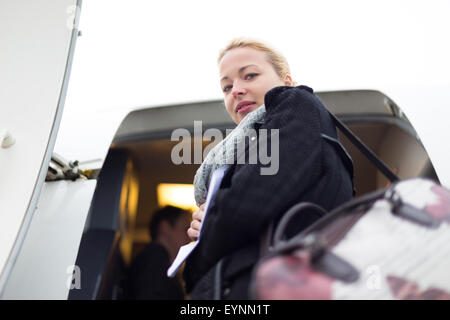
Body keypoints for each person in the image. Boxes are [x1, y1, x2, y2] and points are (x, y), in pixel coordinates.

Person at [183, 38, 355, 299]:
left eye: (249, 75)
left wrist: (200, 252)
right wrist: (209, 221)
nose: (236, 90)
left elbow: (249, 202)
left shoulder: (296, 103)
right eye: (226, 86)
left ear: (286, 81)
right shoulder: (244, 148)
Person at [127, 205, 191, 300]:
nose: (190, 237)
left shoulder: (155, 260)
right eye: (185, 229)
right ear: (165, 228)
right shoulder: (154, 262)